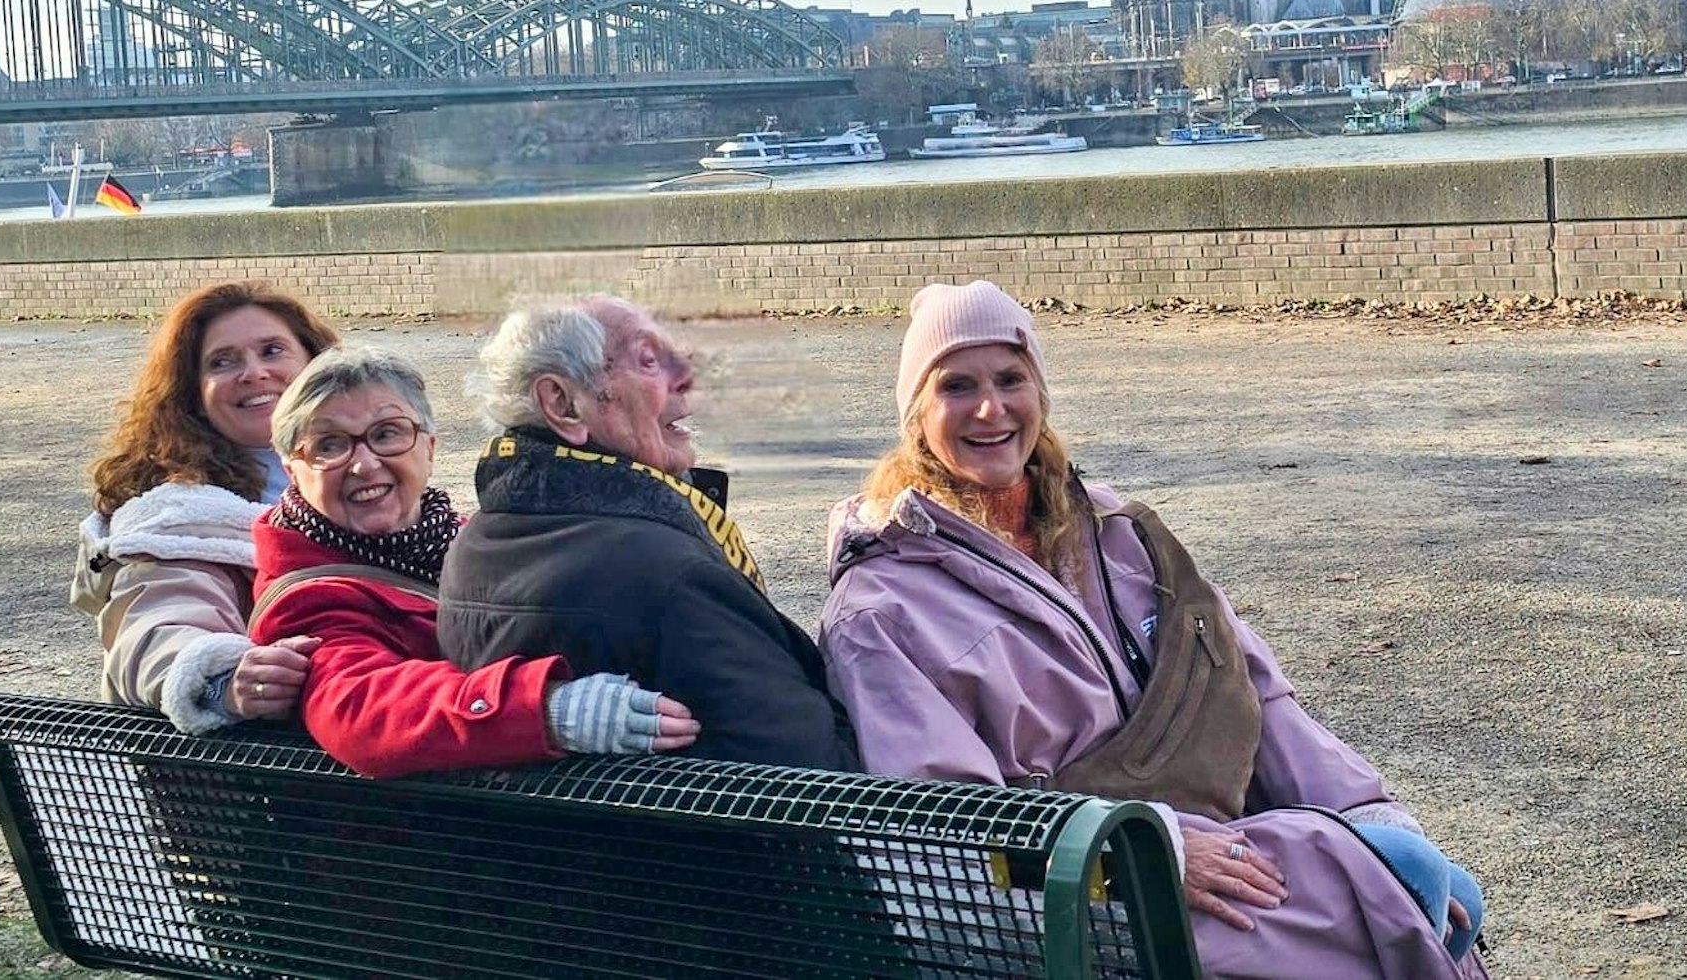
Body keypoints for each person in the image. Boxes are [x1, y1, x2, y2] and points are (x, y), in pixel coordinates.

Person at [821, 281, 1487, 980]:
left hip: (1206, 849)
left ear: (1040, 394)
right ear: (916, 414)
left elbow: (1254, 693)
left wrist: (1367, 812)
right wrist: (1151, 852)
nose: (991, 408)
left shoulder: (1116, 534)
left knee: (1420, 879)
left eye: (1010, 378)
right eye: (957, 385)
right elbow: (949, 829)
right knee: (1389, 905)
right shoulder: (882, 609)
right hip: (1068, 895)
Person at [438, 296, 859, 771]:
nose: (687, 377)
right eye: (648, 360)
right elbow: (813, 773)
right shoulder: (666, 576)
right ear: (563, 403)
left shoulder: (472, 549)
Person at [248, 343, 700, 777]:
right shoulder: (307, 595)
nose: (364, 464)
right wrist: (545, 708)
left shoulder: (466, 536)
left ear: (428, 448)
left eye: (388, 434)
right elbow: (361, 705)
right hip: (433, 840)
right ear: (292, 470)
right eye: (328, 446)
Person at [71, 281, 335, 734]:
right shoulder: (178, 516)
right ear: (192, 393)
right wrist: (224, 679)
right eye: (222, 361)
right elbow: (156, 623)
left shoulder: (364, 479)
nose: (253, 372)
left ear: (318, 366)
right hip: (267, 777)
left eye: (272, 350)